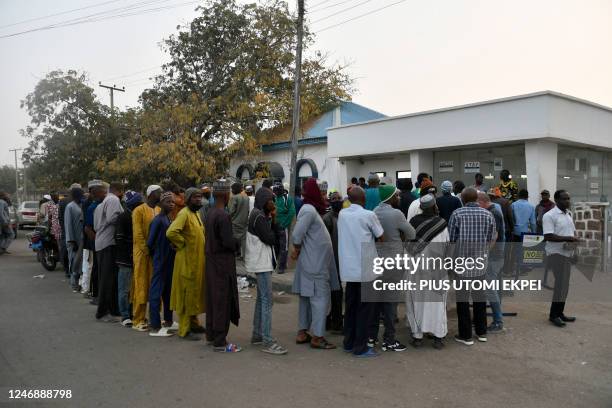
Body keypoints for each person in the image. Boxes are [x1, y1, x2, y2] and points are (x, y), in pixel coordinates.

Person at [291, 178, 340, 350]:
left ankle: (302, 332)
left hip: (313, 262)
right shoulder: (309, 210)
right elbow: (297, 235)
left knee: (306, 298)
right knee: (320, 299)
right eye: (319, 190)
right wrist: (296, 249)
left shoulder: (310, 210)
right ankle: (318, 337)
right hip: (314, 264)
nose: (322, 193)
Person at [338, 186, 384, 357]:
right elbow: (381, 236)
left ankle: (348, 343)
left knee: (350, 308)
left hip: (349, 270)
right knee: (365, 310)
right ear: (363, 199)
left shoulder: (343, 215)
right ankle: (361, 347)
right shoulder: (369, 215)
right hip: (366, 270)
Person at [448, 187, 496, 346]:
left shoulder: (457, 214)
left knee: (462, 300)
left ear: (462, 199)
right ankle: (482, 332)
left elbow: (452, 240)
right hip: (480, 264)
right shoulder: (487, 214)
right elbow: (491, 237)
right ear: (476, 198)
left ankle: (466, 335)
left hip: (461, 264)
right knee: (479, 298)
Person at [371, 185, 414, 352]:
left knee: (375, 302)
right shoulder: (396, 214)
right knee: (390, 303)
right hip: (393, 264)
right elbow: (411, 234)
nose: (399, 197)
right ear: (389, 197)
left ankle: (372, 337)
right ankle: (389, 340)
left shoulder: (374, 211)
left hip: (376, 262)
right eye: (396, 195)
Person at [245, 187, 287, 355]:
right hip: (261, 262)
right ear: (263, 200)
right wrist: (275, 220)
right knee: (267, 300)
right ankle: (268, 340)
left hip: (261, 261)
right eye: (271, 200)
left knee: (262, 299)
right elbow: (270, 238)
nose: (273, 203)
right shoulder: (259, 216)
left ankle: (257, 335)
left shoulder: (259, 214)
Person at [406, 194, 450, 349]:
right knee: (437, 303)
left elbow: (408, 246)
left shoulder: (412, 223)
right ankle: (438, 338)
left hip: (416, 267)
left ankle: (417, 337)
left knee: (417, 301)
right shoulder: (442, 223)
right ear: (434, 206)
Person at [204, 180, 242, 352]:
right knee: (222, 301)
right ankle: (220, 340)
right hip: (222, 264)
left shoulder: (210, 213)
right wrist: (237, 243)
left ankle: (211, 334)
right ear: (226, 195)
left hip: (212, 262)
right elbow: (228, 242)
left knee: (213, 299)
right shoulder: (223, 215)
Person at [166, 187, 207, 340]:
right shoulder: (184, 214)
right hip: (186, 262)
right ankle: (184, 330)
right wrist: (182, 244)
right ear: (188, 199)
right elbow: (171, 232)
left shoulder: (196, 213)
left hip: (197, 262)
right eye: (195, 197)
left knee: (194, 295)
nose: (198, 199)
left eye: (200, 197)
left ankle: (194, 324)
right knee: (185, 296)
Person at [543, 190, 579, 327]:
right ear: (556, 200)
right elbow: (548, 236)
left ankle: (560, 313)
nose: (567, 201)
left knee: (565, 285)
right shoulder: (549, 216)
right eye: (564, 199)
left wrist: (574, 250)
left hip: (567, 254)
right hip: (556, 254)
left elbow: (572, 233)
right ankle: (554, 315)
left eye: (568, 198)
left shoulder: (568, 214)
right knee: (560, 285)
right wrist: (569, 238)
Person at [131, 185, 162, 332]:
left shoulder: (159, 210)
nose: (160, 195)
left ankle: (152, 316)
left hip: (154, 254)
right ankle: (138, 319)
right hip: (142, 254)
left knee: (153, 285)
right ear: (151, 195)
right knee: (141, 284)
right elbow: (137, 234)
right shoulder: (138, 211)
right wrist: (146, 249)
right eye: (158, 193)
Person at [147, 192, 177, 337]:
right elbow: (150, 243)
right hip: (160, 261)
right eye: (168, 202)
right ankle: (155, 325)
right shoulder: (158, 220)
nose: (171, 204)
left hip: (169, 262)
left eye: (173, 202)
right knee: (156, 293)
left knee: (168, 293)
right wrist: (157, 257)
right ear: (161, 203)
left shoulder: (167, 218)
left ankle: (169, 320)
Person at [93, 181, 124, 321]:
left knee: (109, 279)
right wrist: (125, 218)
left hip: (102, 243)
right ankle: (103, 312)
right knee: (107, 279)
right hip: (108, 244)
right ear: (119, 190)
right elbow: (113, 218)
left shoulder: (101, 205)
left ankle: (113, 309)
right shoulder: (113, 199)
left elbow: (95, 226)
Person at [477, 191, 506, 333]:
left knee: (489, 288)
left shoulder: (493, 213)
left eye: (477, 204)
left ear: (482, 201)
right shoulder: (494, 210)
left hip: (494, 256)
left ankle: (498, 321)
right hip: (495, 255)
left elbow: (494, 237)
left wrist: (484, 252)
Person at [115, 190, 141, 327]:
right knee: (124, 289)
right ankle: (125, 315)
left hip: (135, 257)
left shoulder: (136, 215)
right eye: (137, 202)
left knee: (133, 288)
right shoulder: (124, 217)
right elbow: (119, 239)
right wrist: (130, 254)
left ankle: (132, 313)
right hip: (125, 259)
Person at [323, 191, 343, 332]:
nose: (337, 201)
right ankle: (331, 320)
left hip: (341, 260)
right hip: (331, 261)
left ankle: (335, 319)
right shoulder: (327, 219)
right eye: (334, 199)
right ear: (330, 201)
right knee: (333, 293)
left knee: (337, 293)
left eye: (338, 199)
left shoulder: (343, 216)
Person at [510, 189, 537, 275]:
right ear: (527, 196)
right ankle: (522, 269)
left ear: (518, 195)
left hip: (515, 232)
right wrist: (534, 233)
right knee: (524, 250)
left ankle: (513, 269)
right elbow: (533, 222)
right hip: (525, 232)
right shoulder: (531, 206)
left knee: (514, 250)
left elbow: (511, 219)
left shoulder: (513, 205)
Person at [64, 186, 84, 292]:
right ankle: (73, 283)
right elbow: (68, 224)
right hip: (73, 241)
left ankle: (77, 283)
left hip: (81, 239)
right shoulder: (70, 207)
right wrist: (72, 240)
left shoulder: (80, 205)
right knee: (74, 262)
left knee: (80, 263)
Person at [273, 182, 295, 275]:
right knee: (275, 246)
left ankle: (282, 266)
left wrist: (284, 224)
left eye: (277, 190)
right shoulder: (274, 198)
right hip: (274, 226)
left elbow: (291, 212)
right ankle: (274, 264)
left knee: (283, 247)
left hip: (282, 227)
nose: (276, 192)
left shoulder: (287, 199)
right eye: (275, 191)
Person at [228, 182, 250, 260]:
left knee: (233, 240)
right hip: (244, 222)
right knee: (244, 241)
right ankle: (244, 256)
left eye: (232, 189)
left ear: (234, 189)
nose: (231, 190)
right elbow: (247, 210)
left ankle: (232, 255)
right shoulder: (246, 197)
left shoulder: (234, 198)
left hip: (235, 222)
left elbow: (231, 211)